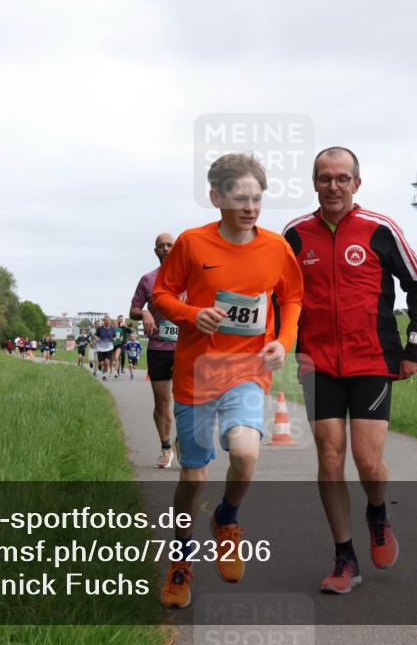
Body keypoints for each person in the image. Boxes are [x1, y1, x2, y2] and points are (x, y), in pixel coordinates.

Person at [282, 146, 417, 595]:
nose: (334, 185)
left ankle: (376, 512)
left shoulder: (380, 229)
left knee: (367, 462)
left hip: (371, 359)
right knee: (329, 459)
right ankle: (344, 557)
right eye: (325, 177)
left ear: (357, 183)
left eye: (342, 178)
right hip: (317, 363)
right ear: (314, 182)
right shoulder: (294, 235)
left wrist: (414, 345)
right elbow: (277, 295)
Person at [153, 152, 303, 610]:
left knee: (245, 451)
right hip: (197, 373)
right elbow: (161, 294)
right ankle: (181, 561)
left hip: (246, 371)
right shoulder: (192, 245)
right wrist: (192, 313)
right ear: (216, 197)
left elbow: (292, 296)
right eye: (241, 198)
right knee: (193, 476)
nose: (251, 208)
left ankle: (227, 519)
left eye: (257, 198)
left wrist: (283, 340)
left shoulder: (276, 247)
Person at [130, 232, 181, 469]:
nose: (166, 249)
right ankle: (165, 447)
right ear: (156, 251)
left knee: (189, 402)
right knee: (162, 403)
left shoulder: (190, 276)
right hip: (159, 348)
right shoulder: (147, 279)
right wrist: (145, 312)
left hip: (186, 347)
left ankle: (183, 441)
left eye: (170, 245)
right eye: (161, 246)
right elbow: (133, 309)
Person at [94, 316, 116, 381]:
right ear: (104, 321)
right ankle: (100, 365)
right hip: (100, 348)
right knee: (101, 363)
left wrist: (113, 339)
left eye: (108, 320)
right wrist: (97, 338)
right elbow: (95, 335)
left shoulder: (112, 329)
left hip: (109, 348)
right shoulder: (100, 329)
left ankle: (104, 375)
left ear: (110, 321)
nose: (107, 321)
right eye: (106, 320)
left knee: (107, 362)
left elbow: (114, 337)